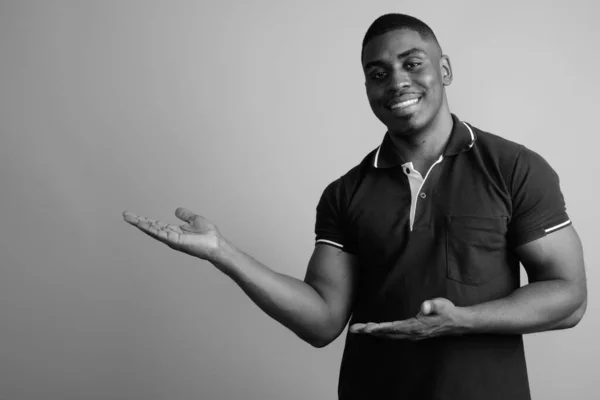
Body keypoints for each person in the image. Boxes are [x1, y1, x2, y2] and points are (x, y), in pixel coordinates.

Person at [123, 13, 587, 400]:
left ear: (444, 70)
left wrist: (459, 322)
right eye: (378, 73)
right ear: (367, 86)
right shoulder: (345, 193)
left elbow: (568, 296)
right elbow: (322, 319)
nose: (397, 81)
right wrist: (222, 253)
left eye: (413, 63)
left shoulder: (514, 168)